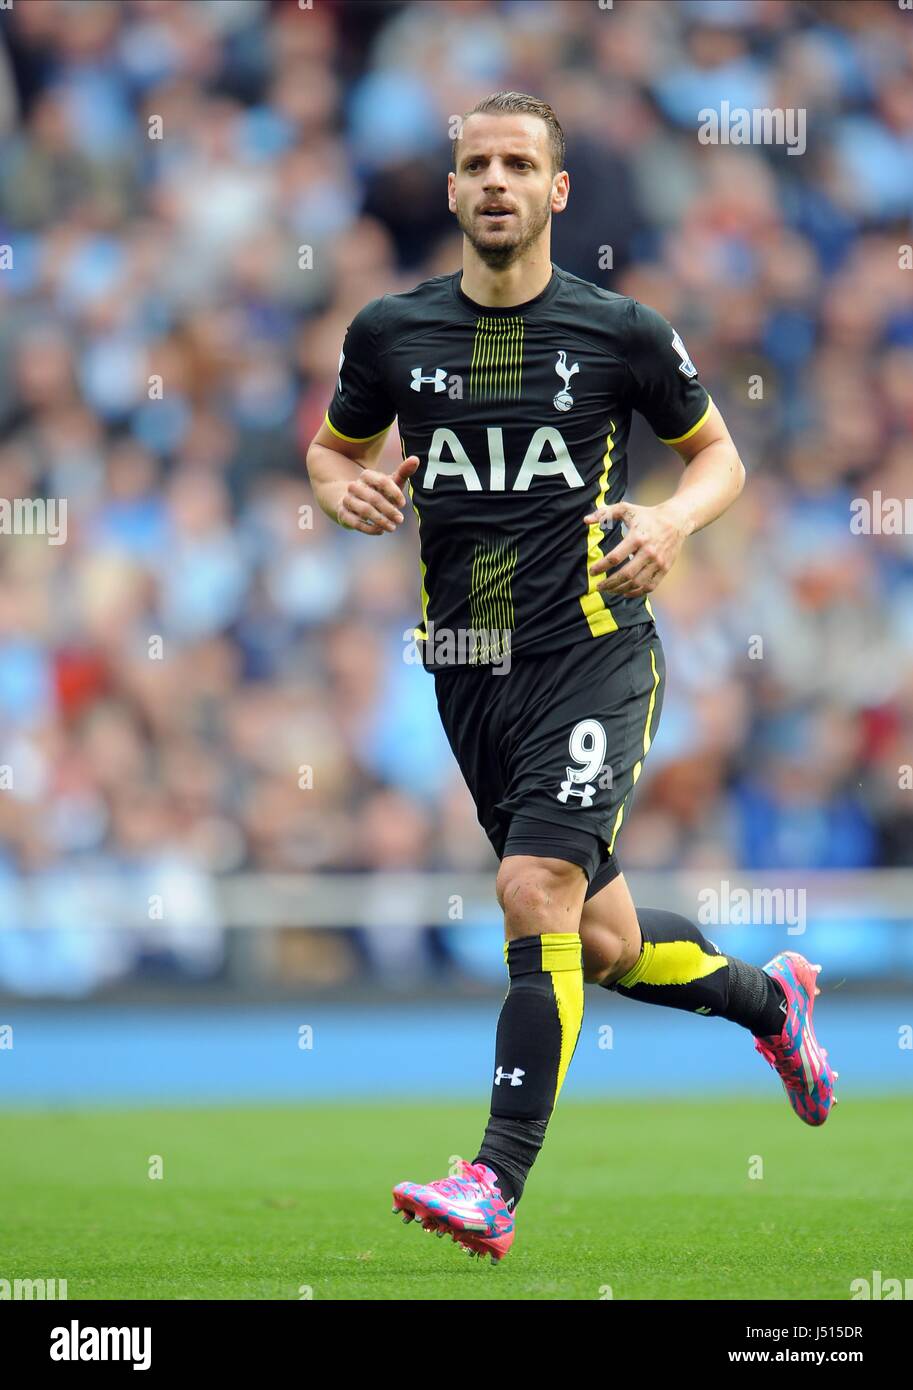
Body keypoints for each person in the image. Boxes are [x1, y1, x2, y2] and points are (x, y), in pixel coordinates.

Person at [306, 91, 837, 1266]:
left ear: (554, 192)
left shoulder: (621, 332)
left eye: (517, 164)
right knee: (597, 940)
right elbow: (332, 450)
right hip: (467, 671)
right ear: (452, 192)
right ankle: (770, 1001)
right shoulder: (391, 334)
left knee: (533, 887)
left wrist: (675, 523)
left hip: (594, 651)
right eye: (474, 163)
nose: (494, 181)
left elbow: (718, 458)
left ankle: (493, 1177)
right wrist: (339, 489)